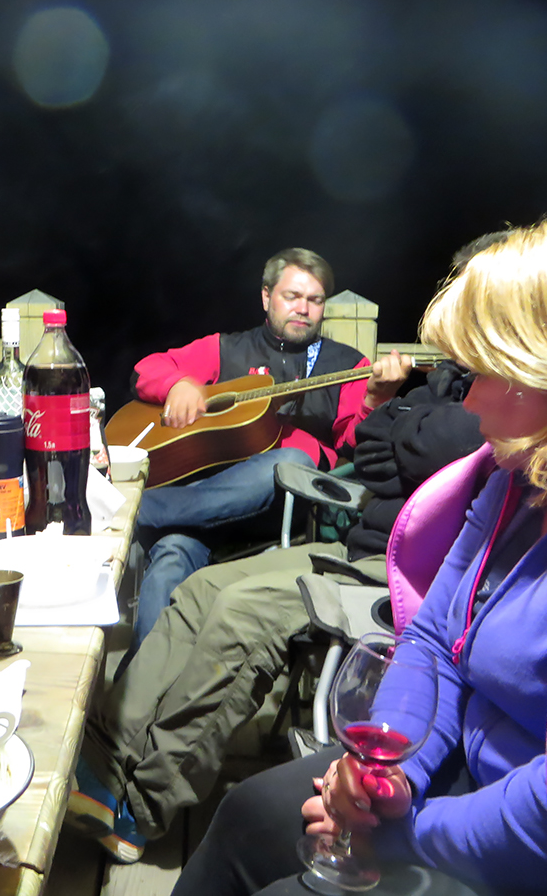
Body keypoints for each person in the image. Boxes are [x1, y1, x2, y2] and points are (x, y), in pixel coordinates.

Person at [171, 211, 547, 896]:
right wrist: (385, 776)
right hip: (453, 765)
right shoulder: (520, 479)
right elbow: (432, 641)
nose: (471, 400)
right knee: (252, 814)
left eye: (493, 371)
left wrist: (401, 833)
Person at [70, 359, 484, 863]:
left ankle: (142, 804)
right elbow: (369, 443)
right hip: (355, 548)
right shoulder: (445, 383)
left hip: (407, 574)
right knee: (201, 588)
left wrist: (398, 424)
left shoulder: (501, 397)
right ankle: (103, 759)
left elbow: (450, 442)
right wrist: (398, 428)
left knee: (242, 614)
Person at [129, 248, 412, 653]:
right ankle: (140, 681)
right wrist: (179, 385)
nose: (303, 309)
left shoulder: (348, 364)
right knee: (172, 554)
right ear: (266, 297)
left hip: (284, 511)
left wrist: (375, 398)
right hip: (203, 510)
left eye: (315, 300)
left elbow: (357, 443)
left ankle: (135, 511)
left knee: (292, 460)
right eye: (292, 296)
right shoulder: (227, 349)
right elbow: (148, 369)